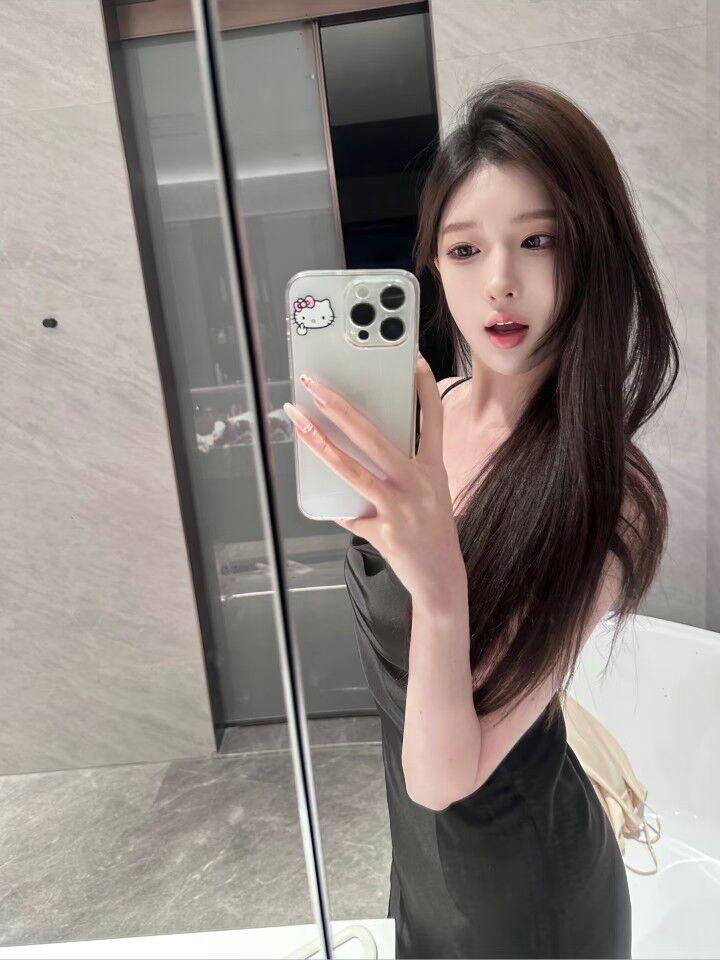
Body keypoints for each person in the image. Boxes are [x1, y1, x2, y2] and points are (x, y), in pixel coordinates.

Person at [284, 79, 679, 958]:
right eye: (464, 250)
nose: (499, 282)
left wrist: (438, 583)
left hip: (526, 892)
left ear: (592, 252)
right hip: (423, 862)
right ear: (434, 265)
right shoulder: (434, 410)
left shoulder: (608, 491)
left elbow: (443, 776)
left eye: (538, 240)